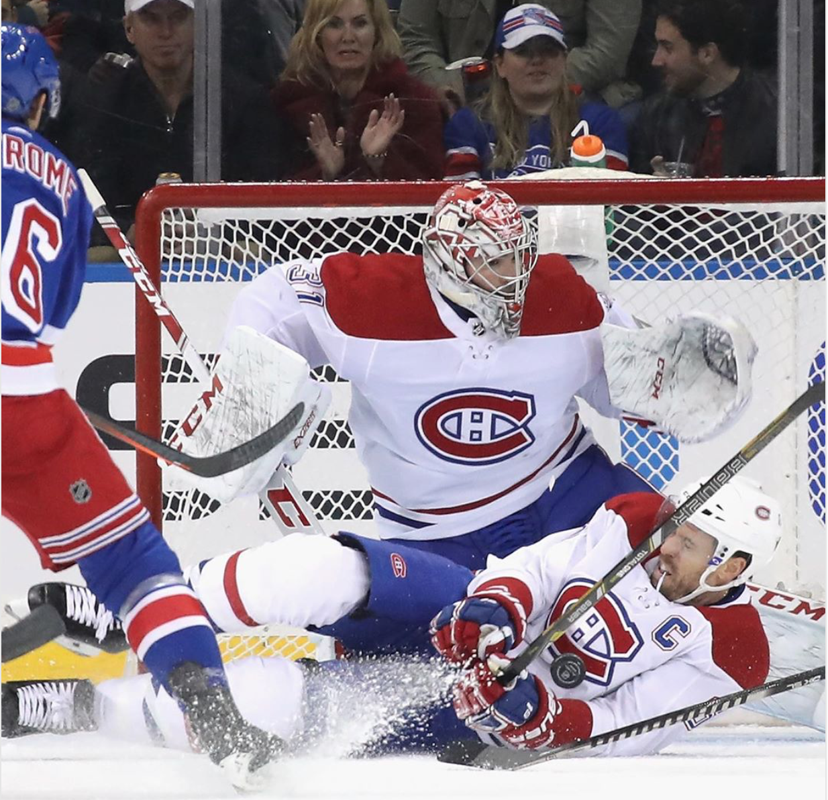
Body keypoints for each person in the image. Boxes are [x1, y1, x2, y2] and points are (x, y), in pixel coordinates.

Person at [3, 478, 786, 759]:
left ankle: (71, 704)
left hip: (480, 718)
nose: (663, 544)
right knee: (323, 566)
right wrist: (494, 608)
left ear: (732, 569)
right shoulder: (637, 513)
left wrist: (536, 718)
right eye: (673, 528)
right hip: (468, 612)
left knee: (274, 707)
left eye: (687, 546)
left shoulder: (736, 655)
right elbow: (543, 569)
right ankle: (124, 612)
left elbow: (631, 727)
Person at [0, 23, 279, 788]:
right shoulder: (58, 173)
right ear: (42, 99)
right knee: (136, 564)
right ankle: (210, 710)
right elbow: (51, 319)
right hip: (25, 395)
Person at [74, 0, 287, 243]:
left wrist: (213, 235)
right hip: (129, 259)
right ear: (129, 28)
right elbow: (86, 201)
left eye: (177, 17)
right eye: (151, 19)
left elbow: (263, 204)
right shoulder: (102, 102)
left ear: (198, 23)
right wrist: (131, 231)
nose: (166, 31)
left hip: (222, 261)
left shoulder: (245, 101)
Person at [443, 4, 628, 180]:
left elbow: (613, 204)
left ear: (564, 60)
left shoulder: (600, 123)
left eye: (548, 51)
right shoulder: (468, 124)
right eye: (523, 51)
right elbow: (459, 202)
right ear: (500, 64)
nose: (537, 59)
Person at [272, 0, 444, 181]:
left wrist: (379, 162)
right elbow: (267, 195)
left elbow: (428, 193)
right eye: (334, 24)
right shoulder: (288, 103)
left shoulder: (413, 102)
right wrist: (324, 175)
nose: (348, 37)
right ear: (317, 34)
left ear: (377, 32)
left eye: (360, 23)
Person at [398, 0, 642, 113]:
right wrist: (442, 83)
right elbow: (414, 37)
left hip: (571, 91)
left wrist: (523, 85)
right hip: (460, 92)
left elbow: (608, 50)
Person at [629, 0, 777, 178]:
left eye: (668, 48)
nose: (656, 60)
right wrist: (654, 195)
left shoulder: (777, 116)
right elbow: (630, 204)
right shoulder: (655, 117)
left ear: (707, 54)